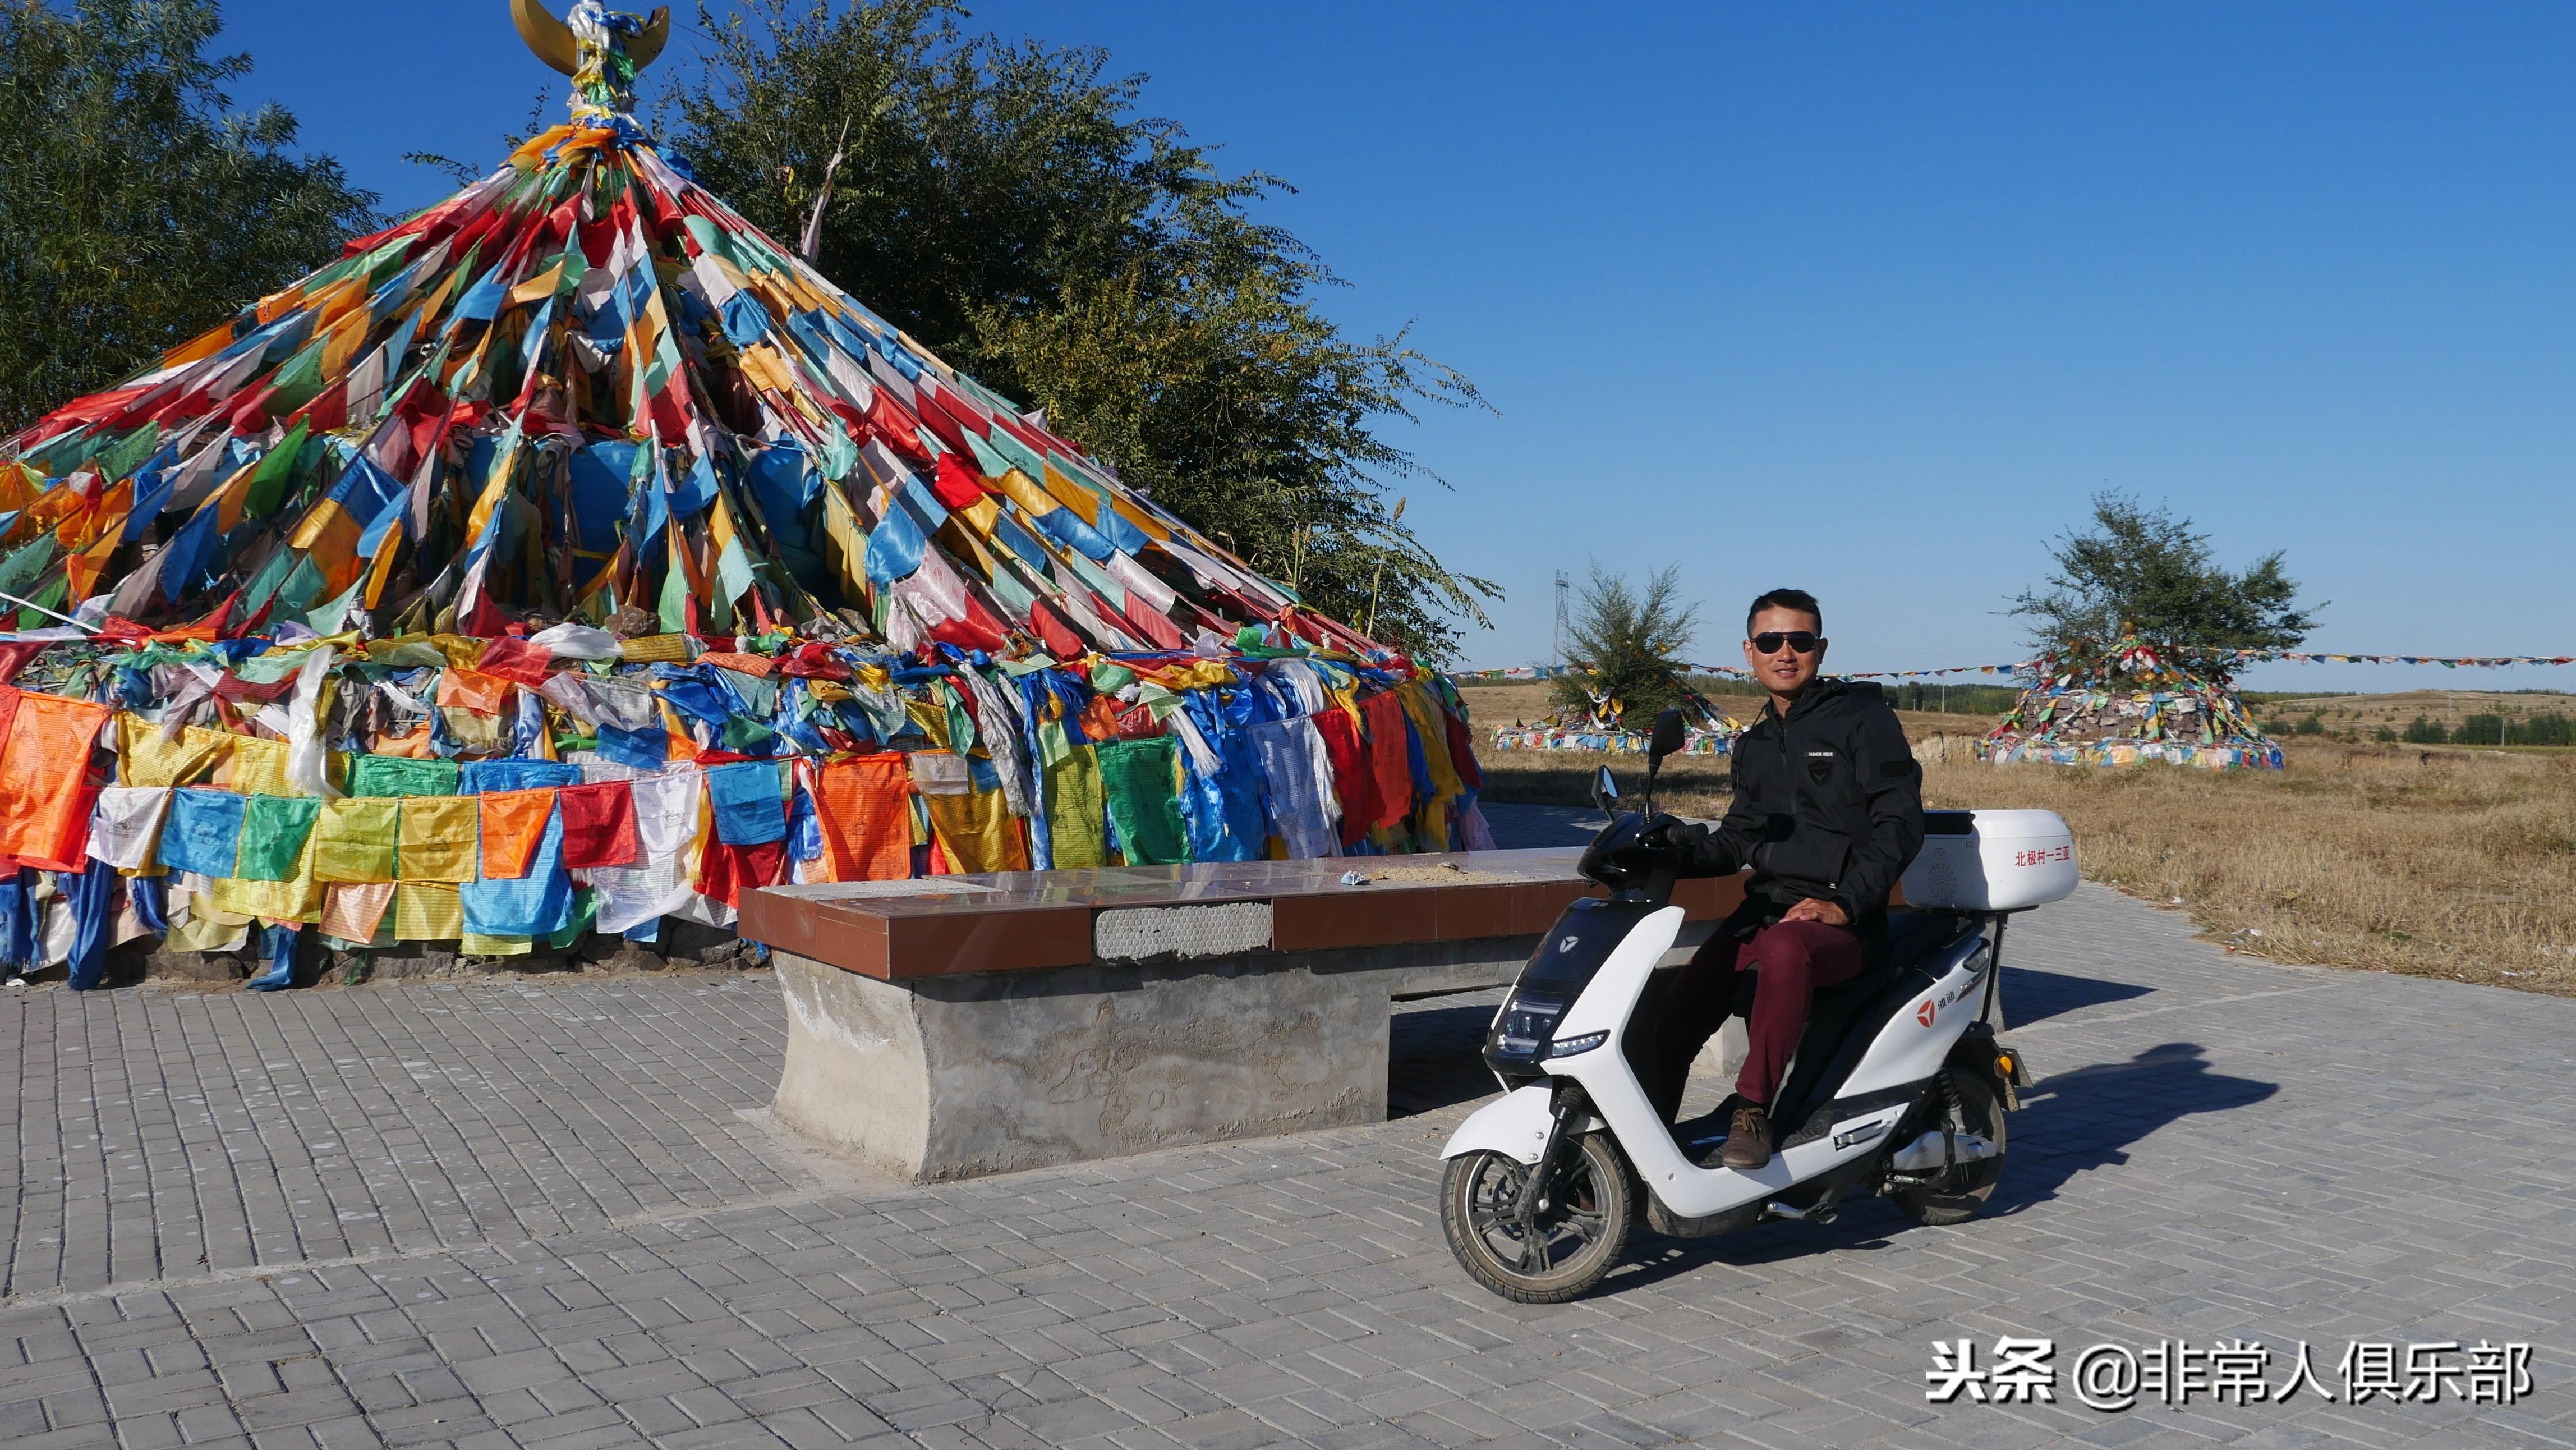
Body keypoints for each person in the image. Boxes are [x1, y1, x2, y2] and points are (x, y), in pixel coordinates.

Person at [1644, 588, 1925, 1169]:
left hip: (1842, 922)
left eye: (1799, 640)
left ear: (1819, 648)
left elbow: (1899, 824)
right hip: (1767, 909)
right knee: (1676, 1012)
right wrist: (1670, 849)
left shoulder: (1863, 719)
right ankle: (1636, 1144)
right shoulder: (1753, 743)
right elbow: (1738, 838)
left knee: (1783, 948)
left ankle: (1752, 1111)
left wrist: (1845, 904)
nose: (1785, 652)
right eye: (1770, 641)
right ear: (1749, 651)